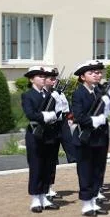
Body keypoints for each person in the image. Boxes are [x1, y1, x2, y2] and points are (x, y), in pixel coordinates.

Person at [71, 61, 110, 216]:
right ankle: (87, 204)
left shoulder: (100, 91)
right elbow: (79, 116)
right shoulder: (79, 93)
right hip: (85, 138)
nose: (97, 75)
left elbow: (108, 110)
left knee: (98, 170)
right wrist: (93, 120)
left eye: (99, 72)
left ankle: (94, 200)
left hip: (100, 137)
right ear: (82, 77)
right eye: (92, 73)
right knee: (86, 170)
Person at [21, 66, 60, 213]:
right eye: (39, 76)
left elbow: (54, 111)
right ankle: (35, 199)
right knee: (36, 166)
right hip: (35, 135)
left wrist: (53, 115)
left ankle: (44, 196)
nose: (43, 78)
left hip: (49, 134)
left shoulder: (49, 95)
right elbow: (30, 114)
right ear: (32, 79)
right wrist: (44, 116)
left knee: (47, 166)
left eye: (44, 76)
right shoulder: (28, 95)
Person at [43, 67, 71, 200]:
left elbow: (65, 108)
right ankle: (44, 188)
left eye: (55, 78)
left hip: (60, 124)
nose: (54, 81)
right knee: (47, 159)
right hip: (48, 128)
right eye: (51, 79)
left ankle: (49, 187)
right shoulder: (42, 94)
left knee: (53, 159)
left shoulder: (57, 93)